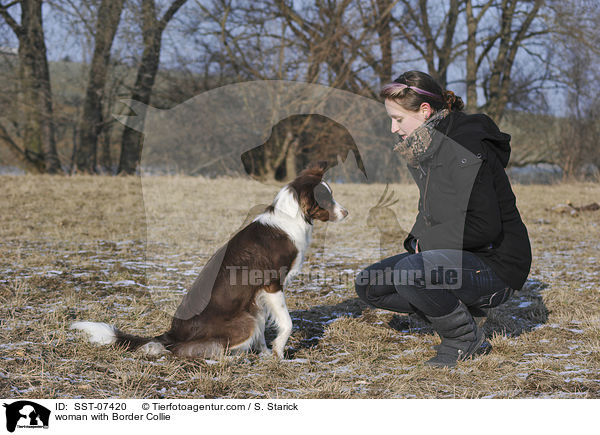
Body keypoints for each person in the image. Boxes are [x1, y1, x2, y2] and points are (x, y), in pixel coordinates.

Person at [355, 70, 532, 368]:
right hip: (459, 256)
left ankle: (464, 338)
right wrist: (415, 241)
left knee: (410, 271)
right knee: (370, 284)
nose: (392, 128)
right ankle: (457, 309)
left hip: (496, 265)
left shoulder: (464, 147)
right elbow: (432, 211)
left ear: (424, 111)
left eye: (398, 119)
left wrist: (425, 246)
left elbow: (484, 226)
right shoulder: (428, 146)